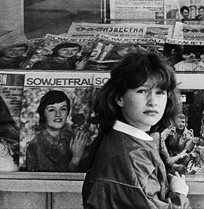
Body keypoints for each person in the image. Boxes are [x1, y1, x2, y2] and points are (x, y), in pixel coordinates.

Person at [82, 52, 190, 209]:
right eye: (142, 91)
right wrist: (179, 194)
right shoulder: (130, 157)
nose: (153, 102)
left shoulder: (121, 137)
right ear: (120, 98)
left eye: (160, 92)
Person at [25, 90, 89, 172]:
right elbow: (54, 183)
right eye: (51, 110)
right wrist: (76, 158)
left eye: (63, 109)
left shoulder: (69, 138)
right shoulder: (36, 146)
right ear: (43, 114)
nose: (58, 114)